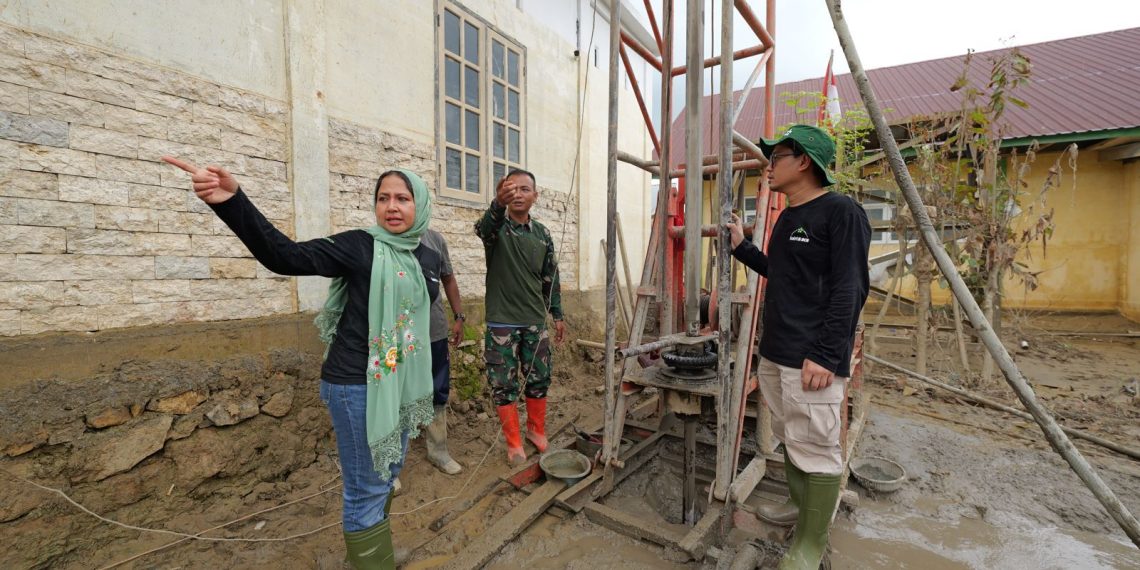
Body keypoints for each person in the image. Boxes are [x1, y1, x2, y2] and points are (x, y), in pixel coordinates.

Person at [162, 157, 436, 570]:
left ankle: (374, 553)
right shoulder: (360, 246)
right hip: (356, 387)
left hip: (396, 386)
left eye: (403, 198)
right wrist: (233, 201)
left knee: (389, 471)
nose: (392, 207)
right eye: (383, 198)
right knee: (366, 485)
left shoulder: (425, 257)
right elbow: (284, 256)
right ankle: (370, 562)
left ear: (421, 205)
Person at [724, 125, 870, 570]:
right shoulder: (788, 217)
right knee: (792, 436)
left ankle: (810, 543)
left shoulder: (841, 212)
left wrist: (827, 354)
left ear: (803, 160)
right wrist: (744, 248)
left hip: (813, 358)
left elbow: (851, 288)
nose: (769, 166)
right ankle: (796, 502)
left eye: (777, 157)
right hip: (778, 351)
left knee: (818, 447)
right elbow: (783, 273)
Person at [474, 169, 567, 466]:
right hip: (502, 321)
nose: (519, 195)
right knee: (504, 383)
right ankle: (514, 443)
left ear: (535, 197)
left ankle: (536, 431)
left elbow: (550, 277)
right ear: (504, 193)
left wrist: (557, 313)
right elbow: (483, 227)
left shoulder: (542, 235)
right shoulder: (496, 229)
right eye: (512, 189)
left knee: (539, 378)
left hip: (534, 321)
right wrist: (496, 205)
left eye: (525, 189)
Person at [418, 228, 466, 475]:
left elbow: (448, 278)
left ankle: (438, 451)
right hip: (395, 337)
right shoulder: (380, 241)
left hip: (434, 331)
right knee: (392, 394)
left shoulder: (434, 240)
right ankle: (390, 465)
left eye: (407, 199)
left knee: (437, 389)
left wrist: (458, 316)